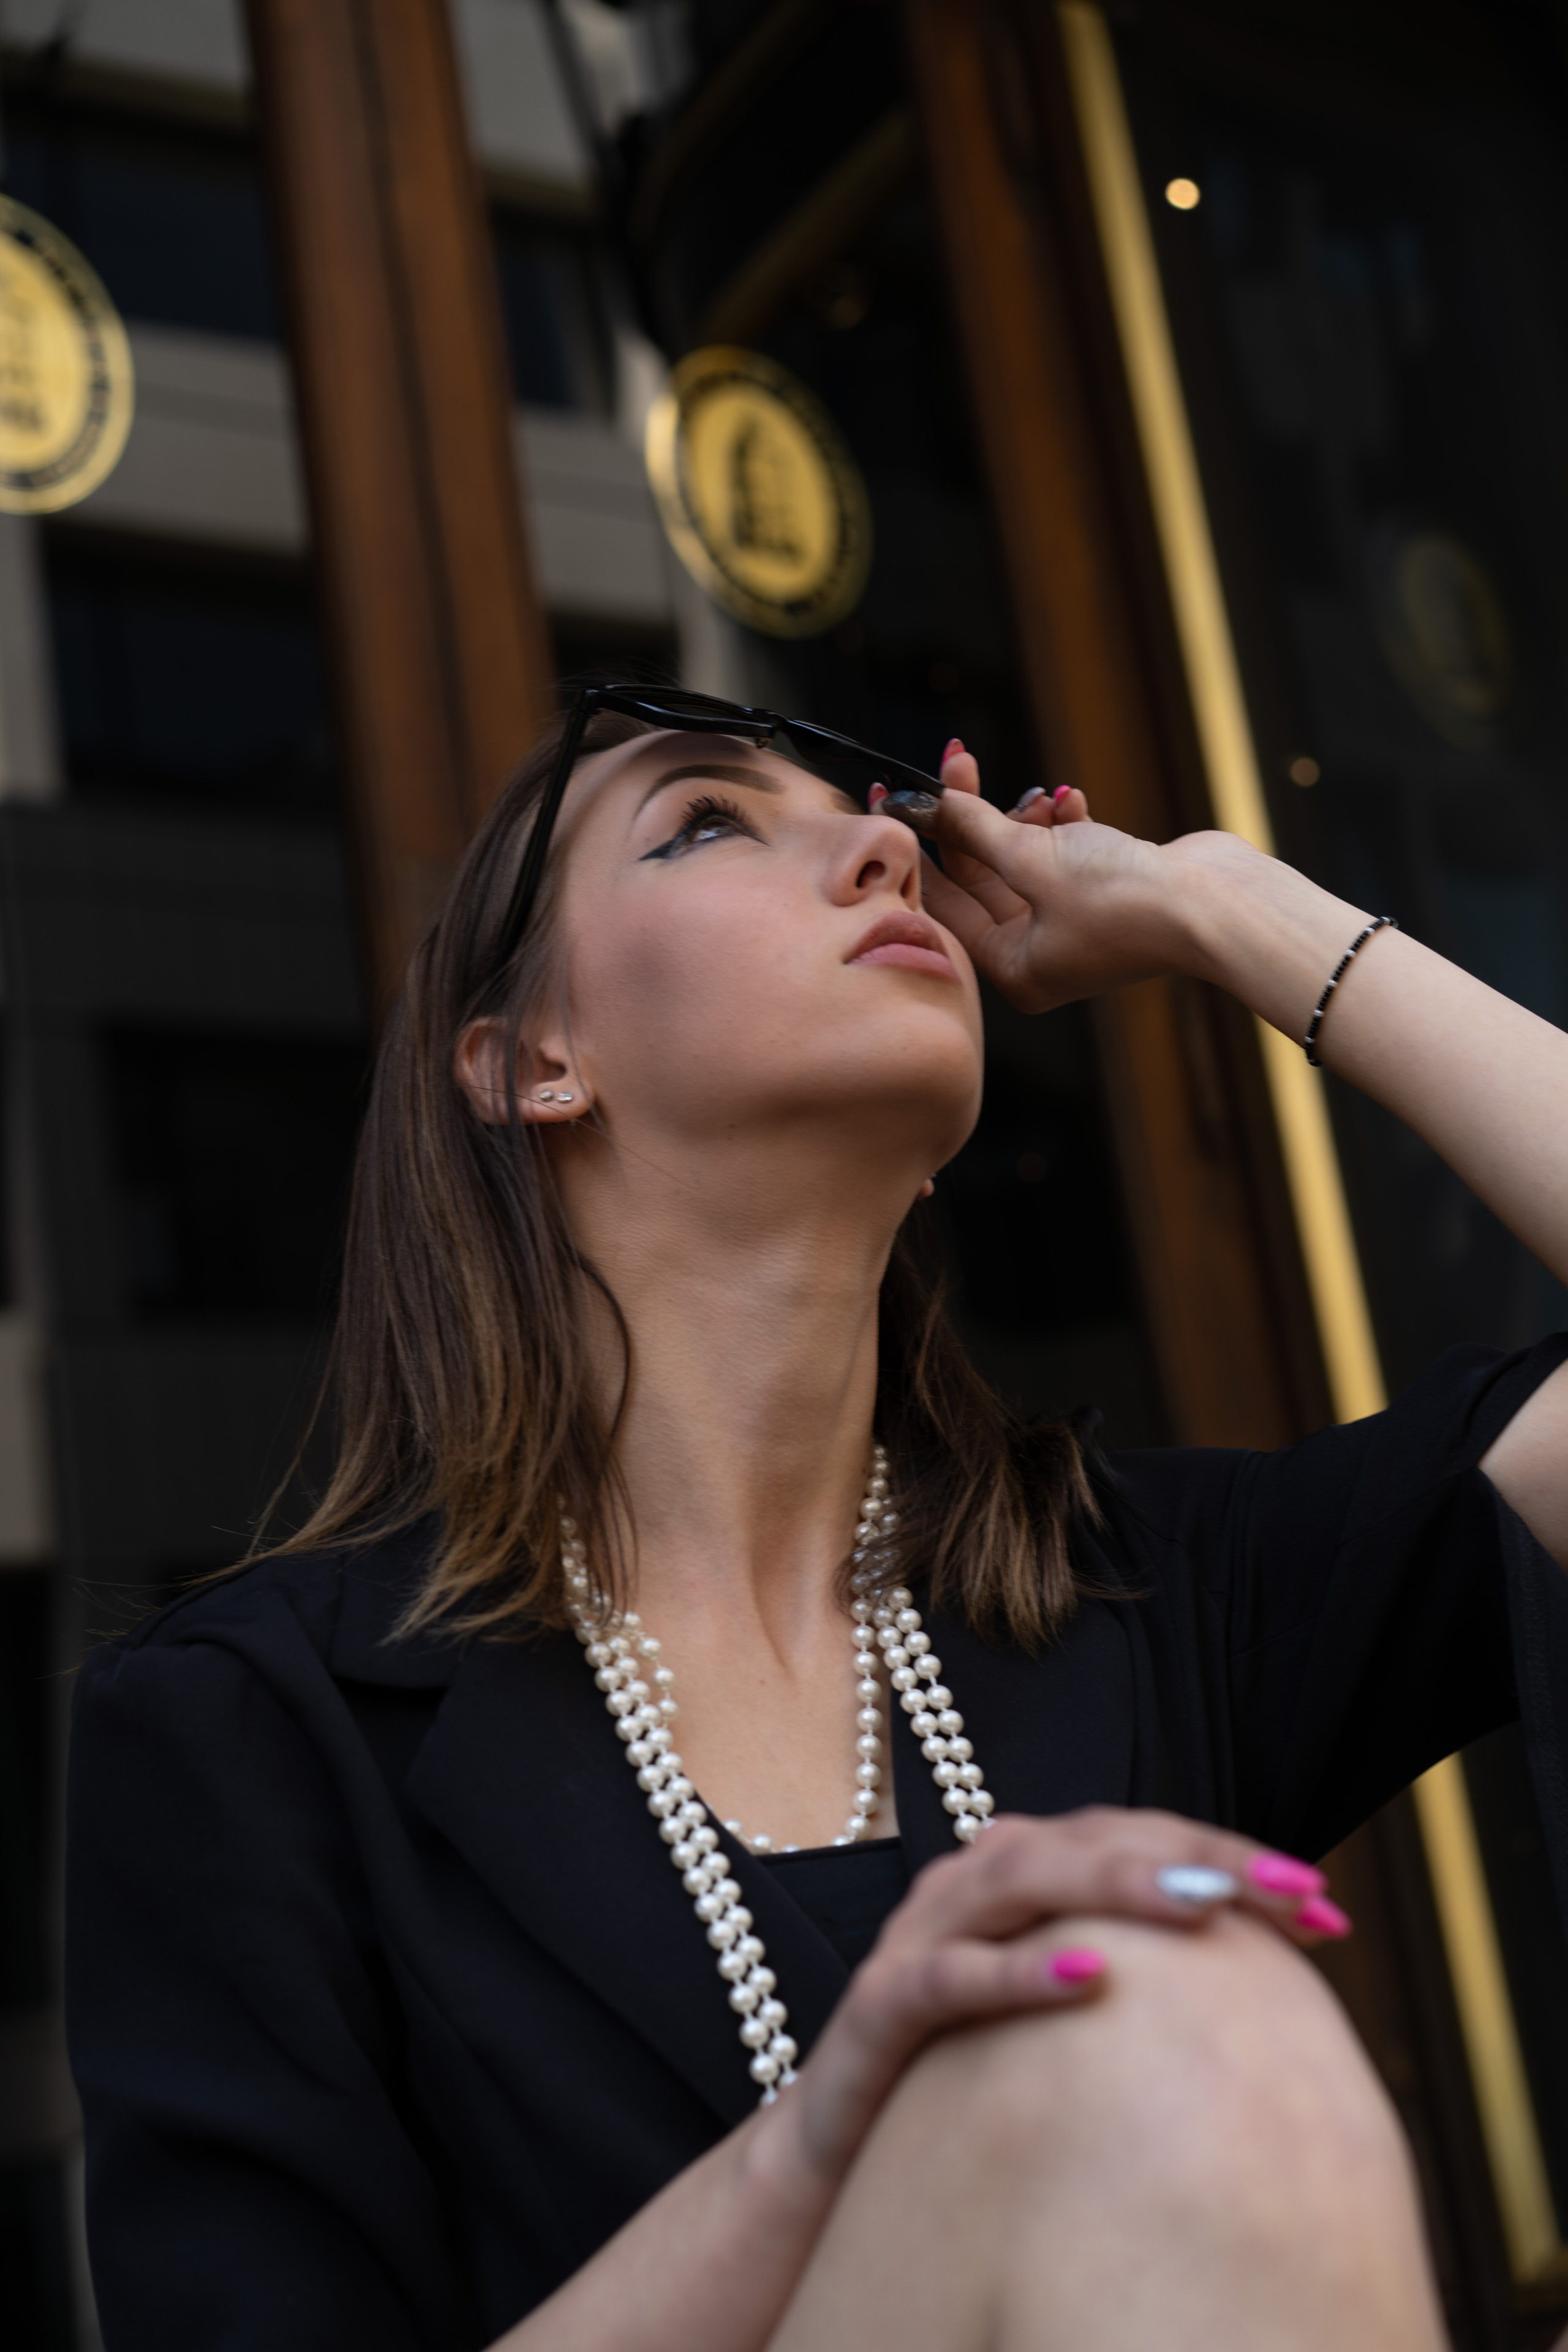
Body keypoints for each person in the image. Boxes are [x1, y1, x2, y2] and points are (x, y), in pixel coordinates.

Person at [66, 691, 1568, 2352]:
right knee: (1169, 2025)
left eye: (878, 820)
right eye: (707, 821)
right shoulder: (256, 1734)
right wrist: (834, 2144)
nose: (885, 849)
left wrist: (1229, 910)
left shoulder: (1139, 1595)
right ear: (529, 1063)